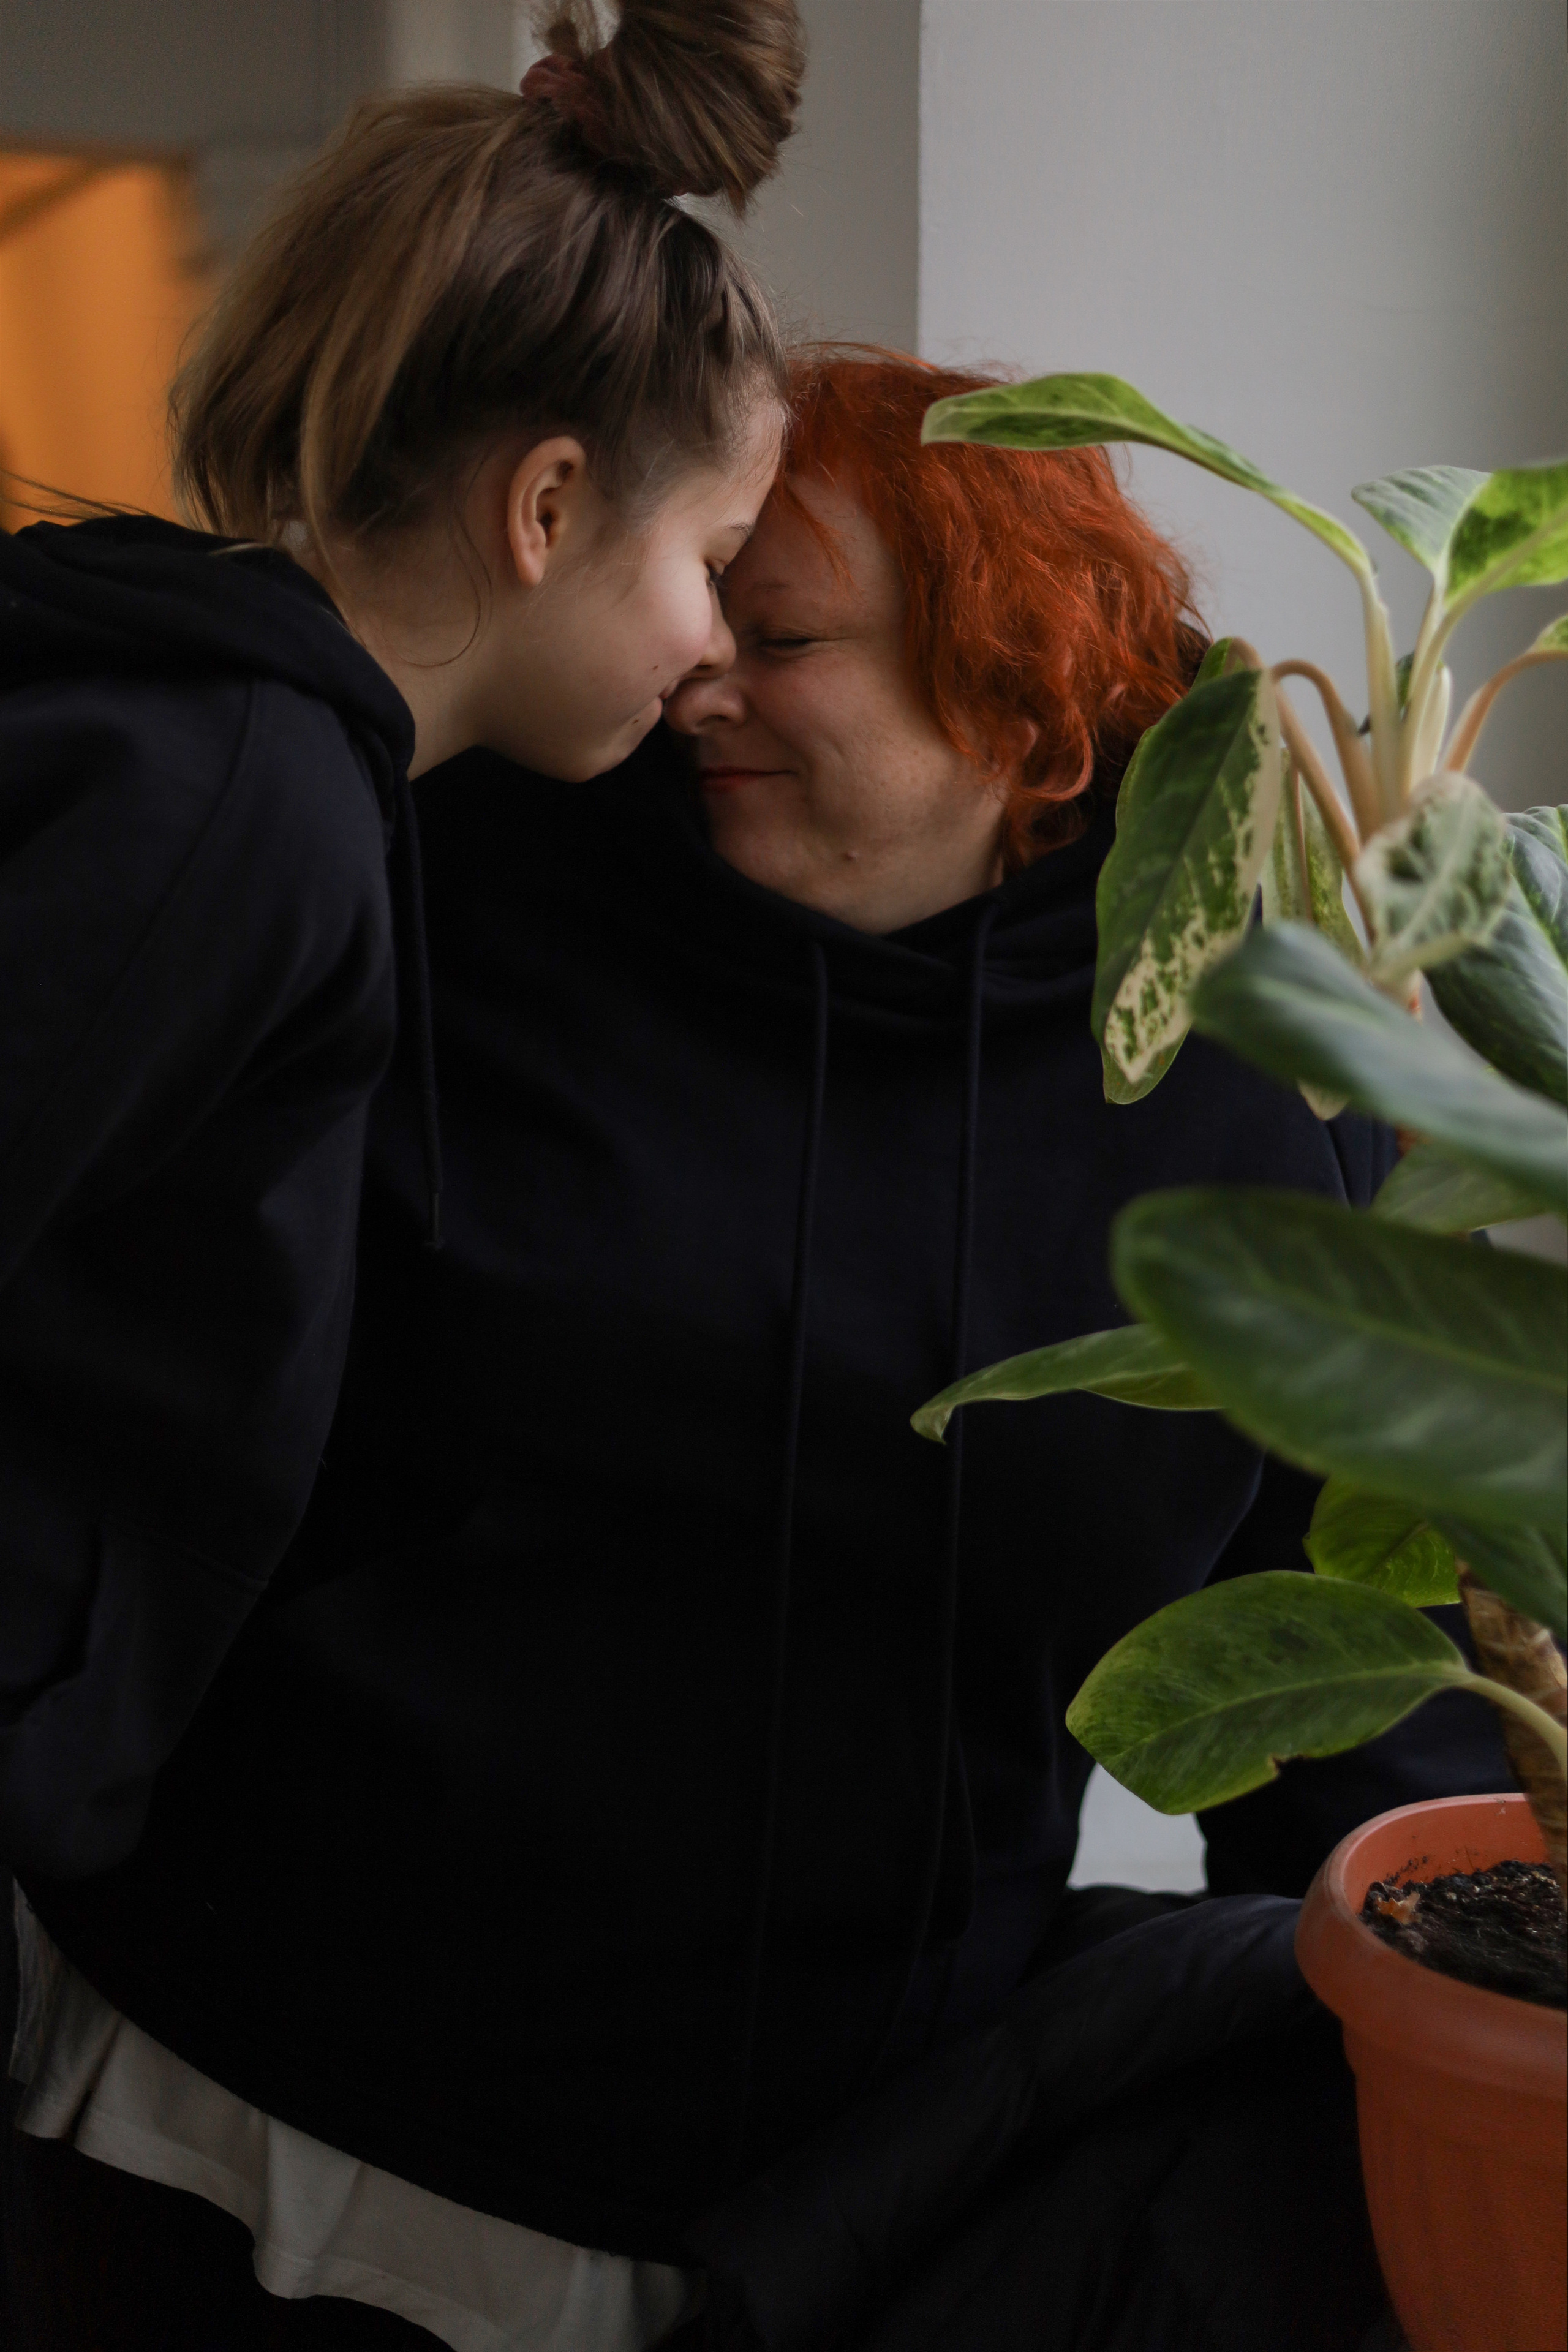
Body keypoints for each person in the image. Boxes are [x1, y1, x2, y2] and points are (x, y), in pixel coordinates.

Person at [12, 350, 1507, 2351]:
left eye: (780, 636)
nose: (696, 678)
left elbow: (1352, 1696)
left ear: (1022, 691)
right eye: (701, 600)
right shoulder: (449, 884)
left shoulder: (1260, 1096)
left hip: (830, 2236)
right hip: (238, 2121)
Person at [0, 3, 802, 2343]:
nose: (717, 652)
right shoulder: (239, 806)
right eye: (715, 558)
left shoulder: (237, 749)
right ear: (544, 510)